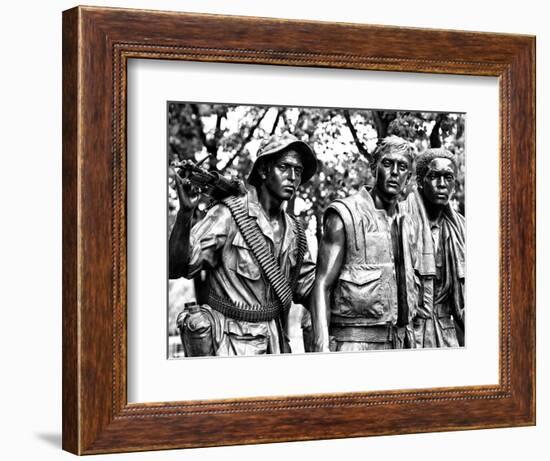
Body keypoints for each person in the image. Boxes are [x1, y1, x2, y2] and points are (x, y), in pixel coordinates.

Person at [169, 134, 317, 356]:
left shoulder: (296, 231)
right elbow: (177, 266)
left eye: (298, 170)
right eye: (284, 167)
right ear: (264, 170)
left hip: (275, 344)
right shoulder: (228, 215)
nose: (293, 176)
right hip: (229, 345)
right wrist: (185, 213)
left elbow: (309, 289)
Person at [311, 135, 418, 352]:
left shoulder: (409, 222)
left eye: (403, 167)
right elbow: (322, 284)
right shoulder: (344, 215)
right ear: (373, 168)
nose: (395, 172)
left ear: (409, 176)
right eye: (387, 164)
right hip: (355, 342)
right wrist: (321, 346)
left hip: (402, 343)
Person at [402, 148, 465, 348]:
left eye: (448, 177)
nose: (442, 184)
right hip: (409, 332)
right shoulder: (399, 218)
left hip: (448, 334)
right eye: (434, 177)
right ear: (420, 181)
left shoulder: (462, 228)